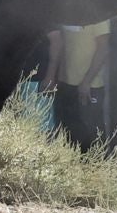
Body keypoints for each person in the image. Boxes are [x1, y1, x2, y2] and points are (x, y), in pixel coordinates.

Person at [47, 16, 110, 150]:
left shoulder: (98, 12)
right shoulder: (68, 10)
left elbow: (103, 48)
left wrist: (87, 81)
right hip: (65, 84)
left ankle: (96, 170)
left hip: (90, 86)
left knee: (92, 140)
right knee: (68, 137)